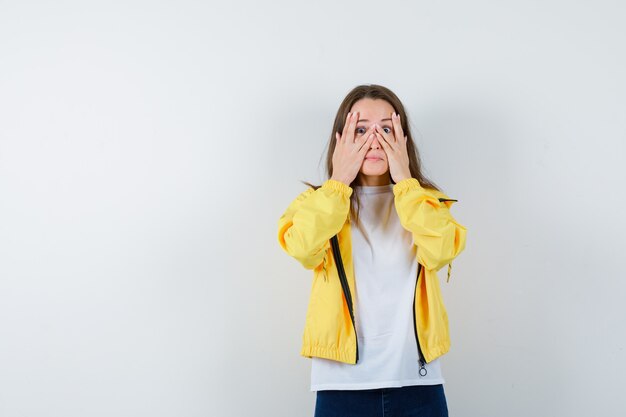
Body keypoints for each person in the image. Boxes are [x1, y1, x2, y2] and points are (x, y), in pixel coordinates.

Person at [277, 84, 468, 417]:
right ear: (341, 140)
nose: (374, 140)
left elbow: (440, 251)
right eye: (361, 129)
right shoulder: (317, 204)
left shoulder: (424, 203)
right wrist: (338, 182)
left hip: (418, 384)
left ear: (403, 140)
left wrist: (406, 182)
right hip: (341, 388)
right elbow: (304, 248)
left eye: (387, 129)